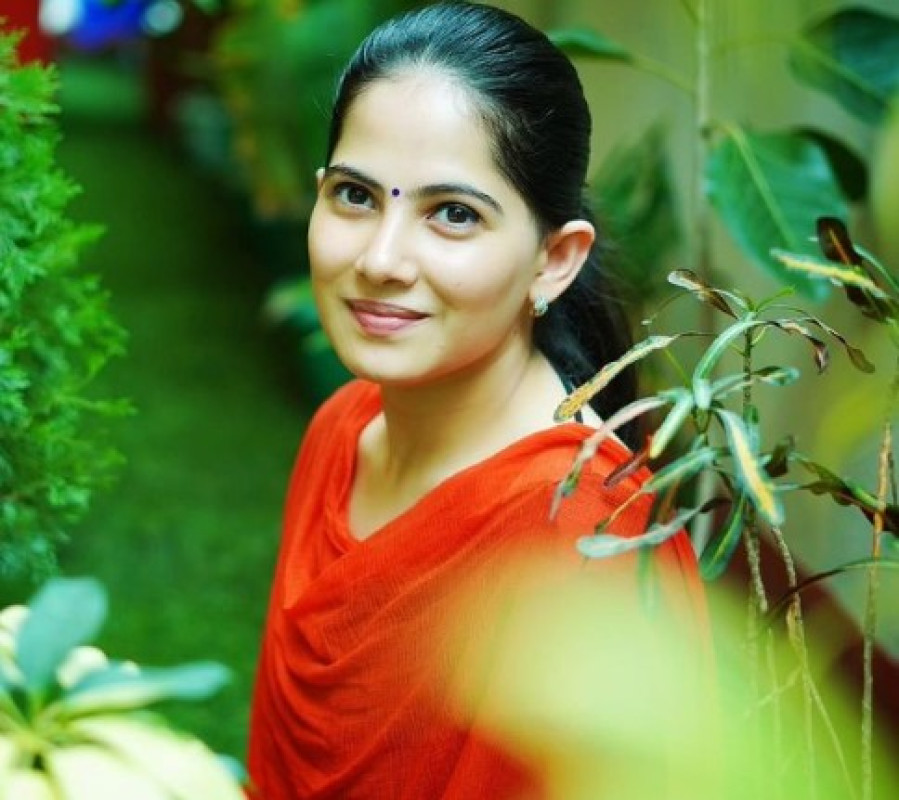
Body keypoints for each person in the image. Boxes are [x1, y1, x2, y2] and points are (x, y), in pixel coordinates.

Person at [246, 3, 708, 798]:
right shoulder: (344, 425)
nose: (381, 258)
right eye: (355, 196)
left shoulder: (582, 538)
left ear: (554, 260)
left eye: (452, 214)